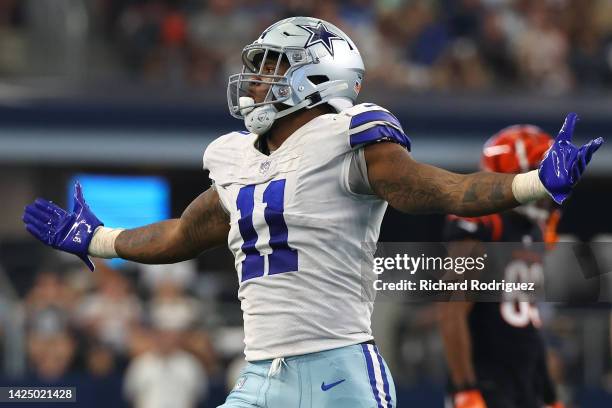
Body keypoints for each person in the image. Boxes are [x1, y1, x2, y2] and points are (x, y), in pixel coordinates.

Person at [22, 17, 602, 408]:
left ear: (315, 75)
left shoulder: (348, 137)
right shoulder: (236, 158)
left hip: (340, 371)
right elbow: (181, 233)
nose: (256, 79)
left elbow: (440, 189)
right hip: (259, 375)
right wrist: (97, 239)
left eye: (273, 65)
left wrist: (531, 184)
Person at [438, 125, 565, 408]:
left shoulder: (532, 232)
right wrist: (464, 388)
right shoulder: (483, 221)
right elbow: (451, 309)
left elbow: (529, 325)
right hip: (487, 383)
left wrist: (550, 396)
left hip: (524, 384)